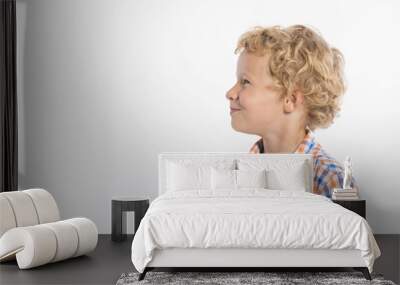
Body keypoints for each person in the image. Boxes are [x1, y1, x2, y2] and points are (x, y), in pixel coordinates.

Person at [225, 24, 357, 198]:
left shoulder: (329, 180)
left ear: (290, 99)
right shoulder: (241, 172)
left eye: (245, 82)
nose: (230, 93)